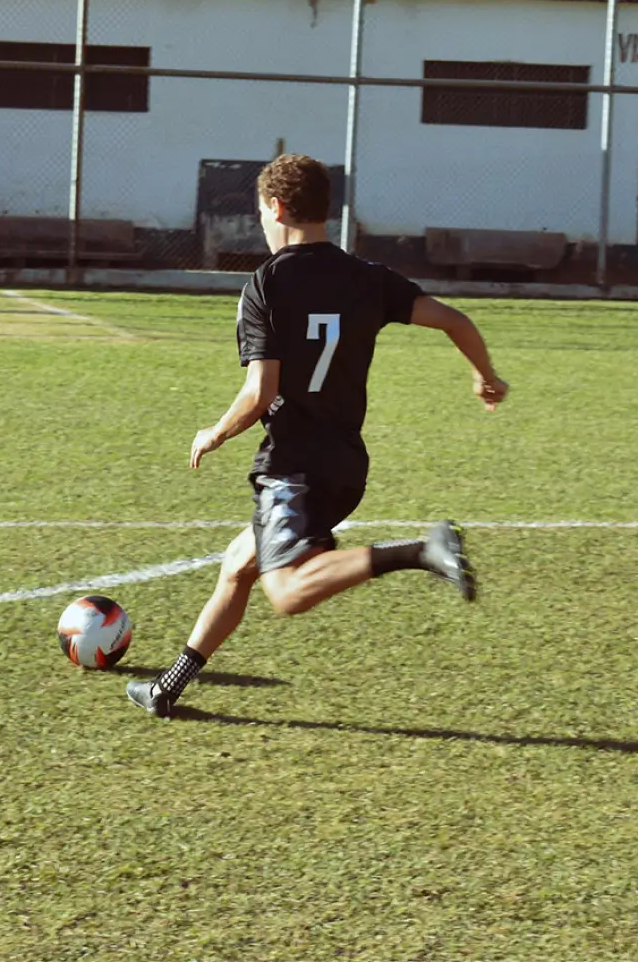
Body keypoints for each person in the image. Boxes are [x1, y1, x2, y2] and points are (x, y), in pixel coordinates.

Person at [126, 154, 509, 718]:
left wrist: (215, 432)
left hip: (293, 466)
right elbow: (455, 319)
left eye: (260, 210)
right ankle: (168, 689)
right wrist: (485, 375)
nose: (261, 219)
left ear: (276, 207)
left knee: (286, 592)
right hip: (346, 463)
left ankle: (421, 551)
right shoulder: (367, 277)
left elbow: (260, 394)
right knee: (239, 566)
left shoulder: (267, 284)